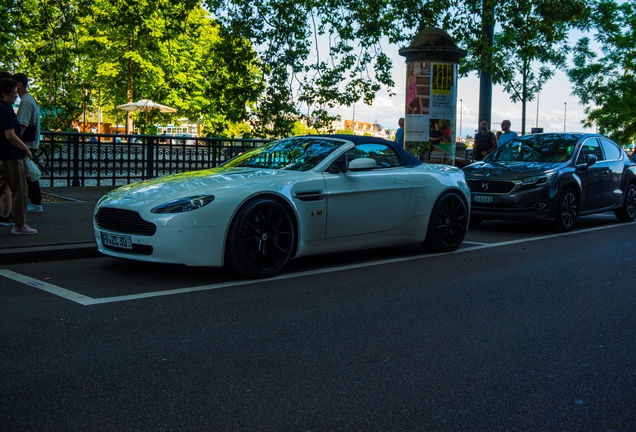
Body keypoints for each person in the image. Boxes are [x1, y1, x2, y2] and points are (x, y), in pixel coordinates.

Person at [0, 78, 36, 235]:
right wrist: (26, 149)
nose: (16, 96)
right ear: (4, 94)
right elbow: (11, 135)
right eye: (14, 93)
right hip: (12, 155)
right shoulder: (6, 109)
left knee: (2, 188)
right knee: (19, 190)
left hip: (1, 154)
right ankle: (20, 225)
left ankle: (6, 216)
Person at [13, 73, 42, 213]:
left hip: (27, 143)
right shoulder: (31, 100)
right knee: (29, 173)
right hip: (31, 141)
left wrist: (17, 142)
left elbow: (22, 127)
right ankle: (34, 201)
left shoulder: (25, 102)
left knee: (30, 174)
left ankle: (35, 202)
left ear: (19, 85)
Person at [0, 71, 13, 226]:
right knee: (8, 186)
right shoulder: (5, 108)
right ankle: (6, 215)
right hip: (7, 151)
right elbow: (10, 134)